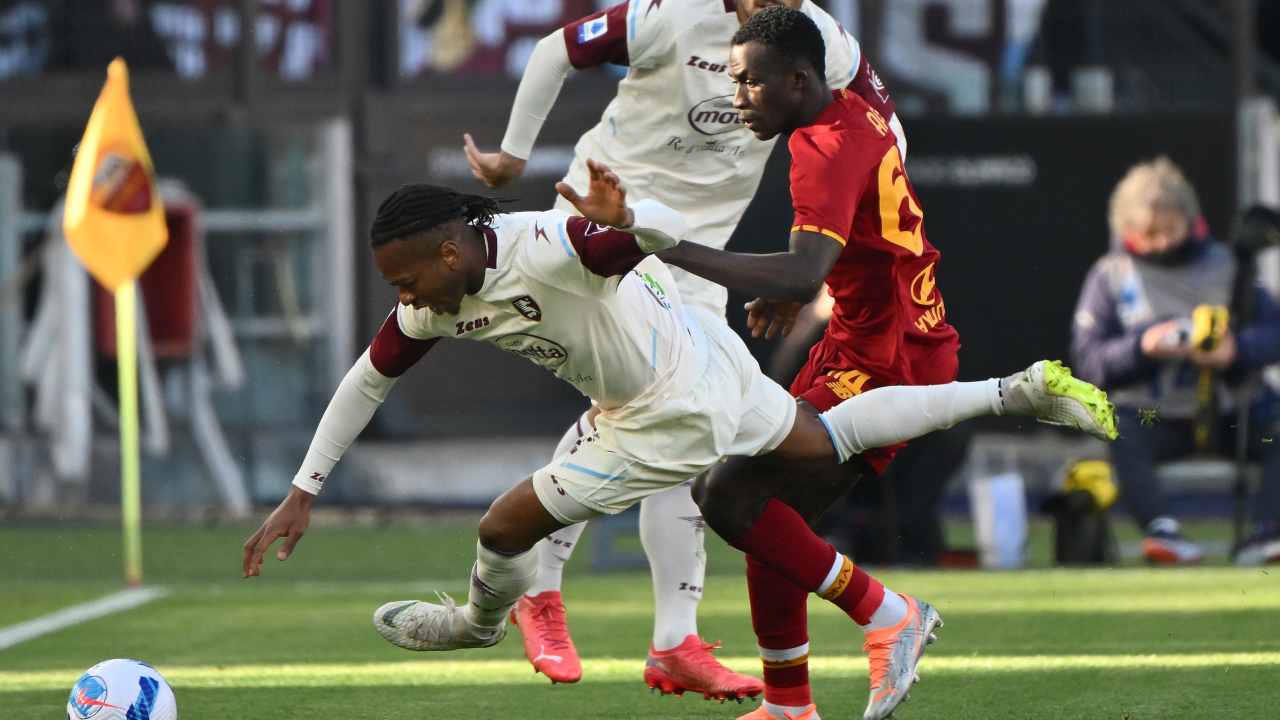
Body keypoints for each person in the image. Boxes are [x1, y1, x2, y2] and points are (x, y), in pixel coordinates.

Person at [241, 163, 1116, 720]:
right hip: (707, 361)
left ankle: (476, 625)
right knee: (822, 443)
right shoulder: (437, 294)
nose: (408, 298)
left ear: (447, 246)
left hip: (663, 407)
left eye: (408, 277)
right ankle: (1015, 390)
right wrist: (305, 488)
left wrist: (633, 218)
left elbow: (636, 237)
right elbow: (369, 377)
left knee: (504, 528)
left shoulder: (548, 245)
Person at [461, 0, 904, 695]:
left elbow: (880, 129)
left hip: (695, 250)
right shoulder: (666, 16)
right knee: (647, 405)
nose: (759, 8)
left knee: (699, 421)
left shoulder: (819, 40)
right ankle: (539, 591)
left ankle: (675, 640)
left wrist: (836, 247)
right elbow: (555, 50)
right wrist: (512, 156)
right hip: (602, 224)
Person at [623, 7, 960, 718]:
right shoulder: (853, 115)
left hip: (886, 358)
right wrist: (802, 282)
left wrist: (663, 245)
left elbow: (804, 272)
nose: (735, 96)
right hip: (880, 342)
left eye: (749, 83)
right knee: (765, 517)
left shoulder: (820, 143)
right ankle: (788, 707)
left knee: (725, 495)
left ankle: (887, 613)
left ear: (799, 80)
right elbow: (832, 253)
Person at [1071, 157, 1280, 566]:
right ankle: (1162, 530)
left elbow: (1275, 330)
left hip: (1230, 413)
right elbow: (1088, 359)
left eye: (1171, 230)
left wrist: (1238, 349)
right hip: (1154, 415)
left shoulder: (1229, 265)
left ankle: (1265, 532)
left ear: (1190, 221)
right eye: (1150, 234)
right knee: (1119, 429)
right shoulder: (1110, 275)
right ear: (1127, 229)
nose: (1163, 243)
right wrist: (1142, 348)